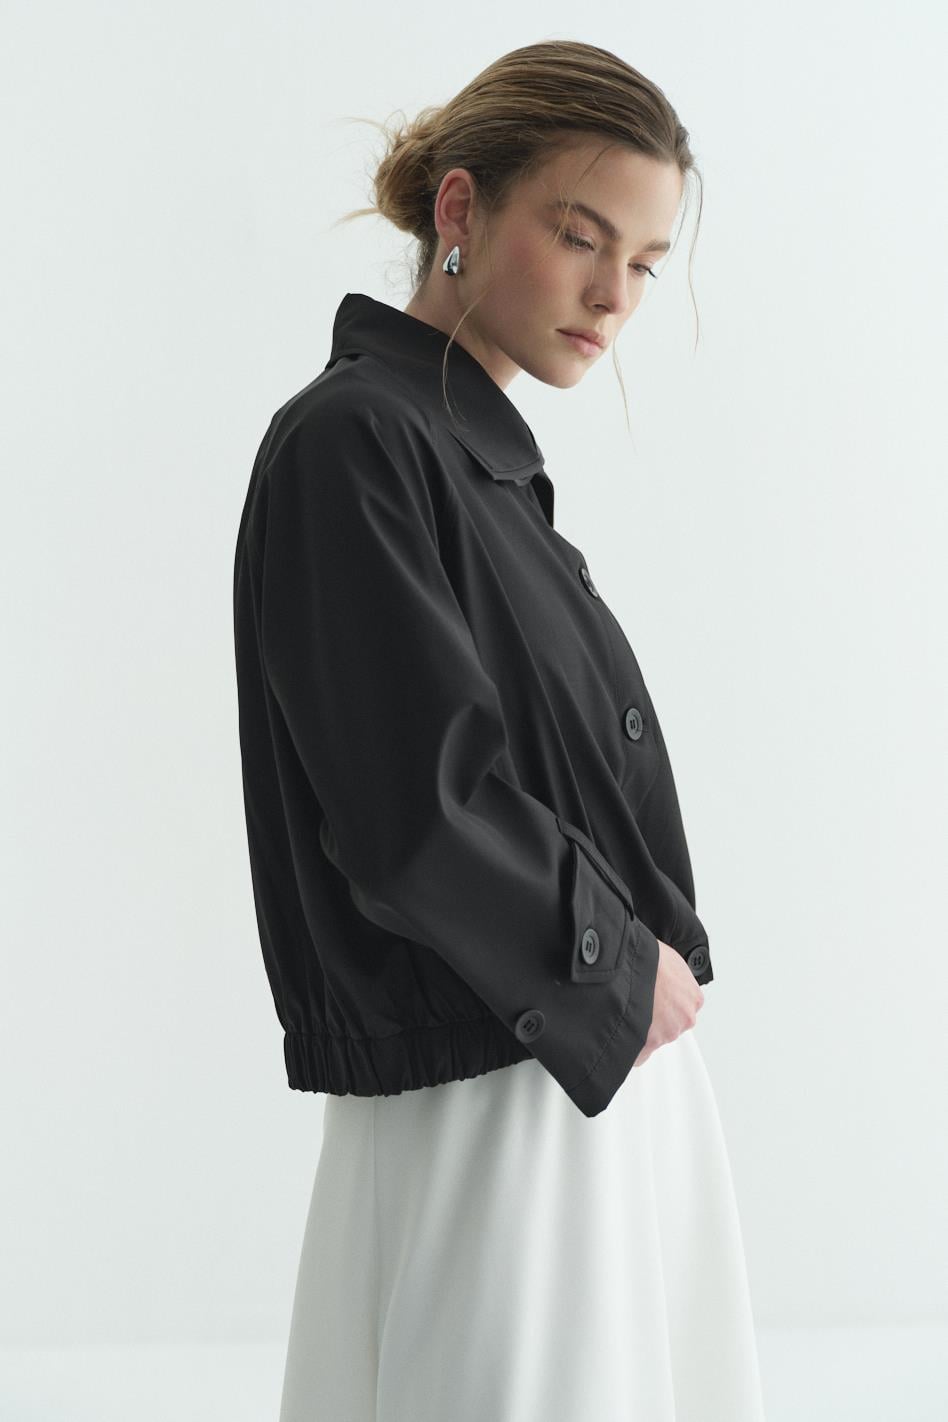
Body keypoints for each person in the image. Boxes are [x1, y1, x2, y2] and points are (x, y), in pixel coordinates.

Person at [233, 38, 767, 1422]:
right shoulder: (358, 442)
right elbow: (411, 807)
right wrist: (615, 963)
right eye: (581, 236)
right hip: (505, 1098)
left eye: (645, 263)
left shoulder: (469, 465)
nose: (613, 295)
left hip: (571, 1071)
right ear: (461, 209)